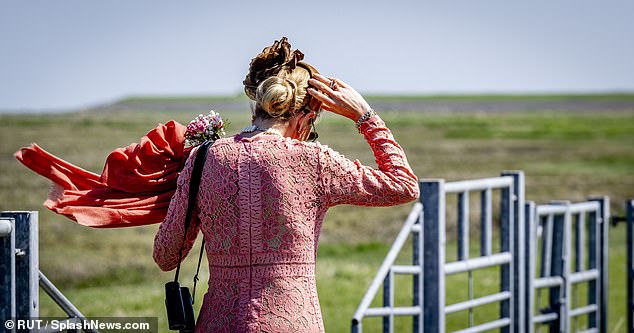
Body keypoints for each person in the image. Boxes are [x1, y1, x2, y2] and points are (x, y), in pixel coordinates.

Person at [152, 37, 419, 333]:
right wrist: (364, 116)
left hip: (220, 323)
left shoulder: (204, 158)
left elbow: (165, 256)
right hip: (294, 322)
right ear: (306, 117)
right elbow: (403, 184)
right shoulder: (314, 160)